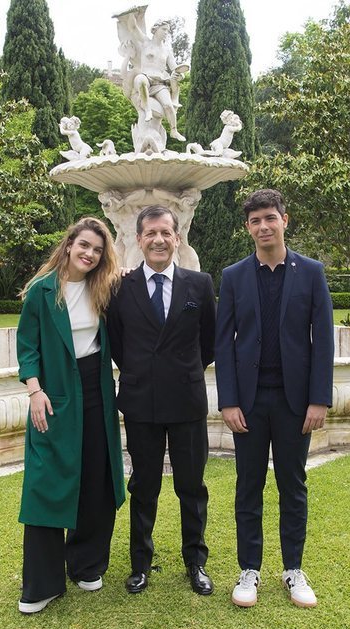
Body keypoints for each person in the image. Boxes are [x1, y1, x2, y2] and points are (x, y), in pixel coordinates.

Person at [214, 189, 334, 609]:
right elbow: (223, 344)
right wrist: (228, 401)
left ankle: (293, 569)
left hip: (294, 403)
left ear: (285, 220)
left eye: (270, 218)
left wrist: (319, 399)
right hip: (247, 403)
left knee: (292, 484)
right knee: (248, 485)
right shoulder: (233, 277)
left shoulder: (311, 272)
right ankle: (249, 569)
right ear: (247, 228)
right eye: (254, 221)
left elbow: (323, 341)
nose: (263, 227)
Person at [15, 217, 126, 614]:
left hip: (96, 387)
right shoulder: (41, 292)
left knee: (96, 475)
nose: (89, 254)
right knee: (47, 480)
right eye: (84, 245)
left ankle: (86, 563)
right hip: (54, 391)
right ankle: (42, 583)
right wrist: (35, 391)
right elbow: (27, 346)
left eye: (97, 250)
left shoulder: (105, 288)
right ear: (68, 245)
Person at [107, 205, 217, 596]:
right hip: (141, 402)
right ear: (138, 239)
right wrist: (144, 371)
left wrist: (181, 369)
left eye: (165, 233)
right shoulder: (120, 287)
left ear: (177, 238)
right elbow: (117, 344)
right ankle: (140, 563)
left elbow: (210, 342)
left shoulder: (199, 284)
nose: (158, 239)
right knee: (144, 486)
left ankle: (196, 562)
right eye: (150, 233)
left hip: (187, 401)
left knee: (192, 486)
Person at [116, 11, 186, 142]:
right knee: (140, 80)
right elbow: (133, 28)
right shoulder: (145, 43)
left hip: (160, 83)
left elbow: (175, 69)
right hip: (146, 77)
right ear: (156, 29)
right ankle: (147, 109)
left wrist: (179, 75)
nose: (166, 32)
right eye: (164, 29)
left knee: (168, 106)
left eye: (167, 30)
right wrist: (131, 13)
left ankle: (174, 130)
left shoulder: (167, 51)